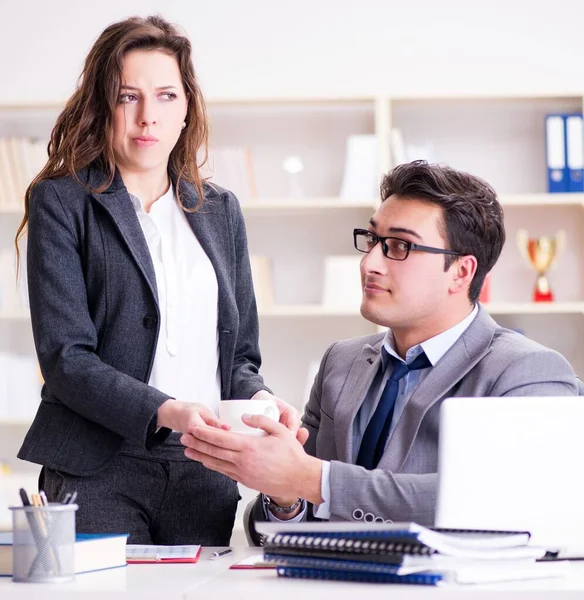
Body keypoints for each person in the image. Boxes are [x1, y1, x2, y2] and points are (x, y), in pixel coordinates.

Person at [180, 160, 578, 544]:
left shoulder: (528, 370)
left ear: (462, 272)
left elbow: (500, 503)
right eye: (373, 240)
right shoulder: (341, 361)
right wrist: (283, 496)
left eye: (400, 246)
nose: (370, 262)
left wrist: (313, 479)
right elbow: (282, 515)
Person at [14, 15, 299, 546]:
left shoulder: (220, 210)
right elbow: (65, 357)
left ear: (187, 105)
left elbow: (237, 357)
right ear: (104, 104)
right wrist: (167, 410)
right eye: (128, 97)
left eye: (166, 95)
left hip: (204, 469)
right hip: (98, 467)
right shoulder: (63, 201)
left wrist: (261, 399)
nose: (148, 117)